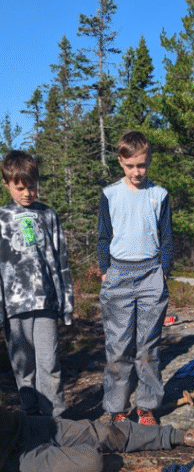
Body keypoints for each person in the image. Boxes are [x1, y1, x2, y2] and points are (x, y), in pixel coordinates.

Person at [97, 131, 172, 425]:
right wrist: (105, 271)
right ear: (120, 162)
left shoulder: (160, 195)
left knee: (147, 346)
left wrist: (164, 270)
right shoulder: (109, 194)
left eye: (142, 165)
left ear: (149, 161)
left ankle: (146, 406)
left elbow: (166, 236)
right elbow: (103, 236)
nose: (136, 172)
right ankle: (117, 408)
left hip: (152, 273)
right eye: (130, 166)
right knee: (118, 347)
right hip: (118, 275)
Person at [0, 151, 73, 416]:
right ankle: (32, 422)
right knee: (23, 368)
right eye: (20, 188)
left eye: (31, 186)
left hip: (46, 303)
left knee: (49, 363)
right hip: (14, 308)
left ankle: (57, 420)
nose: (27, 193)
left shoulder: (48, 216)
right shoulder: (1, 219)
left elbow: (61, 259)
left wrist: (66, 302)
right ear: (7, 184)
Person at [0, 408, 194, 472]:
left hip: (21, 426)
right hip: (14, 459)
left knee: (104, 432)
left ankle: (178, 435)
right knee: (91, 462)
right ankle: (109, 464)